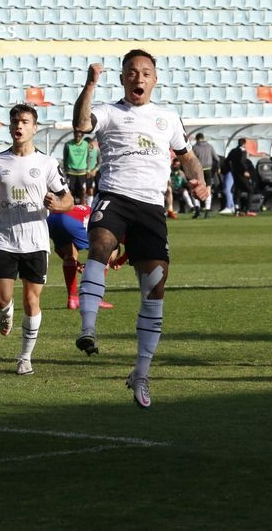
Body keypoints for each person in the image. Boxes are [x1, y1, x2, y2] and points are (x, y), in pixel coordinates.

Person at [72, 48, 209, 408]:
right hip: (114, 196)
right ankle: (88, 329)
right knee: (100, 246)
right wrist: (90, 85)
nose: (139, 78)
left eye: (145, 73)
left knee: (154, 287)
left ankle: (141, 373)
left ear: (155, 79)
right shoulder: (109, 111)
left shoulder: (167, 118)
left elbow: (187, 157)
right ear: (122, 78)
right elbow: (81, 125)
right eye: (132, 72)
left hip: (151, 208)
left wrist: (199, 181)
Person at [0, 103, 74, 376]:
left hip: (36, 241)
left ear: (34, 128)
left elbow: (68, 200)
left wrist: (56, 205)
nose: (19, 126)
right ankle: (6, 310)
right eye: (15, 121)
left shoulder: (47, 163)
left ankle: (25, 357)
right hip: (4, 239)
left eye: (25, 121)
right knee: (1, 298)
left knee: (31, 301)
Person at [46, 204, 115, 310]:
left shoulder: (90, 210)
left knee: (69, 255)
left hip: (51, 219)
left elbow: (59, 250)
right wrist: (118, 260)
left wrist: (77, 264)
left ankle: (72, 299)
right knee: (103, 254)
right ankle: (95, 299)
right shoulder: (106, 221)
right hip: (69, 219)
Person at [192, 133, 219, 218]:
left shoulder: (195, 147)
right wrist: (216, 169)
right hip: (208, 170)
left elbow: (191, 159)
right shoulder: (210, 146)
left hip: (198, 170)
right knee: (208, 190)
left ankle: (197, 210)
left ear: (197, 139)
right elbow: (217, 159)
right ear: (203, 138)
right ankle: (207, 211)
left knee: (196, 189)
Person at [63, 129, 89, 205]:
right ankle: (70, 206)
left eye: (79, 136)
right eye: (76, 136)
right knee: (70, 190)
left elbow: (89, 157)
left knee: (83, 190)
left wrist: (89, 169)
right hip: (71, 171)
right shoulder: (68, 144)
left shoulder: (86, 144)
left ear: (82, 136)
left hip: (82, 171)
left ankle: (82, 207)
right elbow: (65, 158)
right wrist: (66, 169)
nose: (77, 138)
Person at [85, 135, 100, 207]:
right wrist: (87, 171)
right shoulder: (84, 152)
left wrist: (94, 170)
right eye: (89, 145)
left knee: (92, 189)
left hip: (94, 173)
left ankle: (91, 205)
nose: (91, 146)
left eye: (91, 144)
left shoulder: (96, 150)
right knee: (85, 189)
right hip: (85, 173)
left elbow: (100, 161)